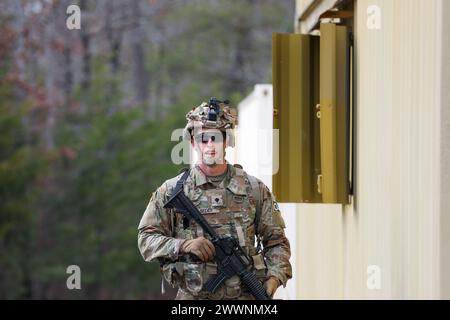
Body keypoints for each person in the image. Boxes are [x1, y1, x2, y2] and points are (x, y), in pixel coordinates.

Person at [137, 98, 292, 300]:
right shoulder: (172, 191)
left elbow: (277, 242)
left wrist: (273, 278)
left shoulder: (254, 190)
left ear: (226, 141)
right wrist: (183, 245)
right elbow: (146, 240)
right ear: (193, 143)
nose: (210, 145)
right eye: (203, 139)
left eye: (216, 138)